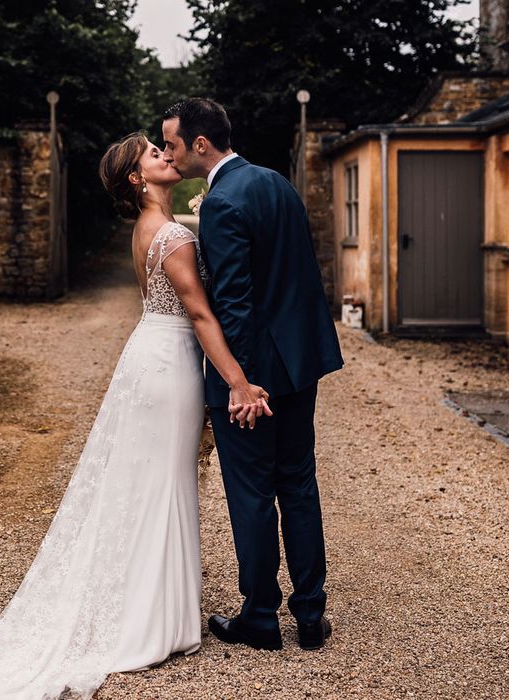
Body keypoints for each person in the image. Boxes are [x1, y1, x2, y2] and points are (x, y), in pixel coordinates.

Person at [0, 131, 271, 700]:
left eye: (162, 149)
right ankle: (151, 618)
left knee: (152, 482)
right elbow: (198, 312)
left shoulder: (153, 231)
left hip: (152, 356)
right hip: (168, 365)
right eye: (153, 154)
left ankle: (158, 606)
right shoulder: (169, 235)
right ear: (137, 180)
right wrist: (239, 380)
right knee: (163, 482)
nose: (166, 154)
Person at [162, 98, 344, 652]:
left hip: (253, 379)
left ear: (200, 144)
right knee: (299, 483)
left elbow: (235, 302)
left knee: (251, 495)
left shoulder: (220, 203)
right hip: (299, 363)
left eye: (171, 143)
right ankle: (311, 615)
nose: (167, 153)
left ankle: (261, 616)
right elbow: (295, 276)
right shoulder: (276, 183)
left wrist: (239, 383)